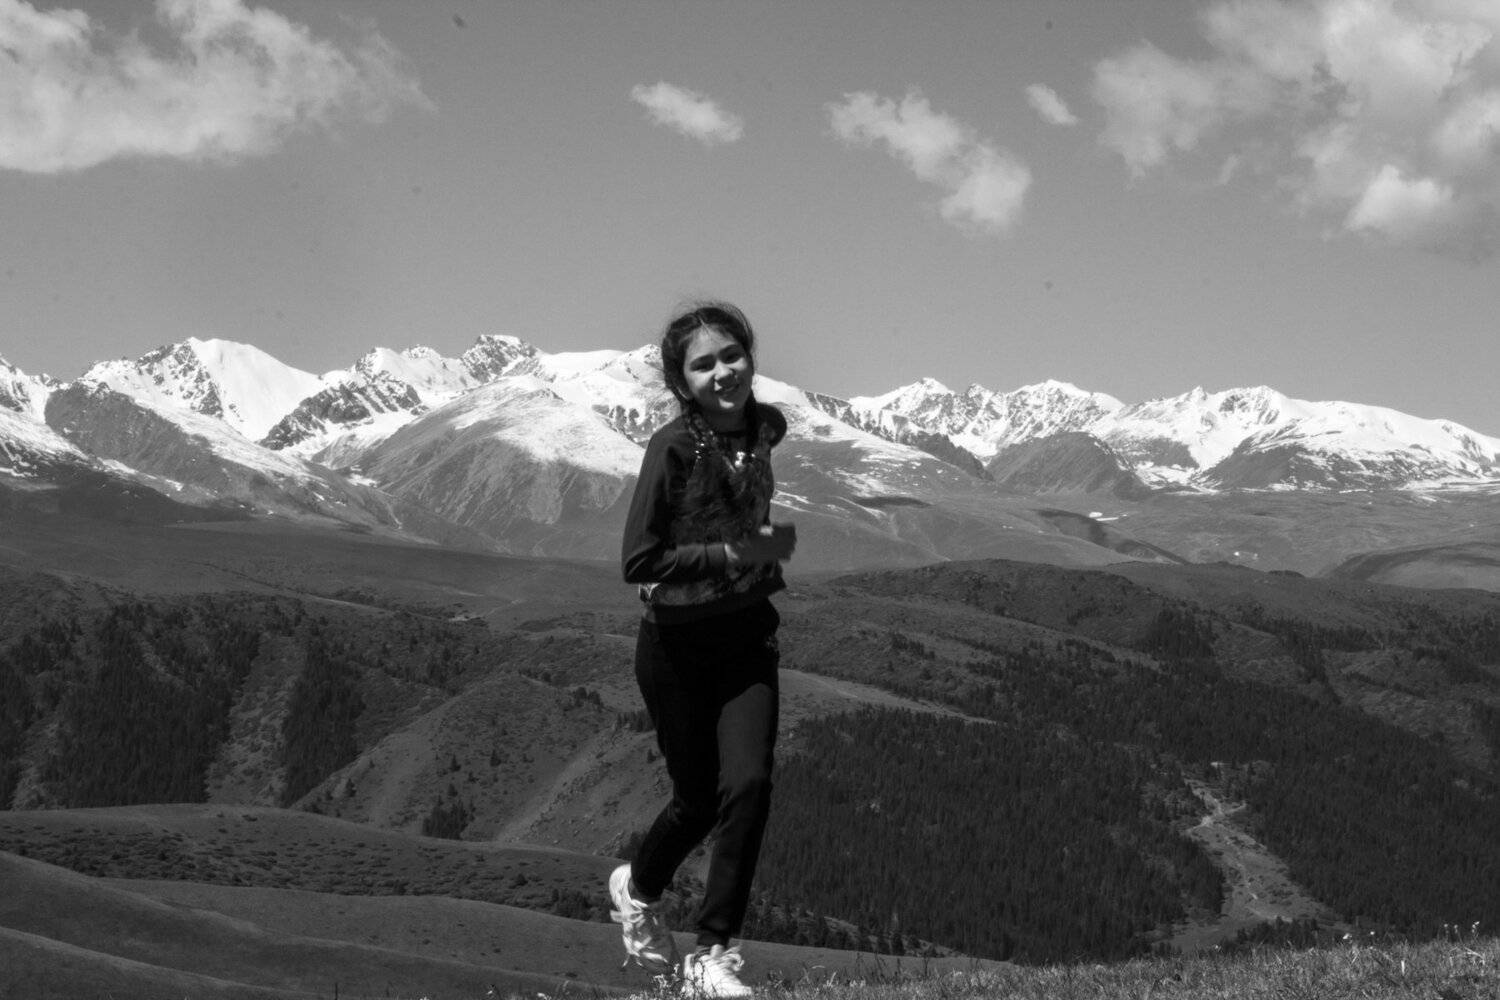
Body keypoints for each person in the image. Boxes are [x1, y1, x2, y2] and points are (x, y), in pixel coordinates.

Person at [611, 302, 796, 998]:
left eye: (732, 355)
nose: (723, 372)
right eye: (703, 364)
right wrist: (733, 553)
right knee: (694, 802)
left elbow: (747, 493)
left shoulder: (767, 426)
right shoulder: (672, 448)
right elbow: (639, 561)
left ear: (751, 356)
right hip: (676, 650)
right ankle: (637, 890)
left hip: (746, 638)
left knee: (747, 787)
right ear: (681, 382)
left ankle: (713, 955)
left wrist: (760, 549)